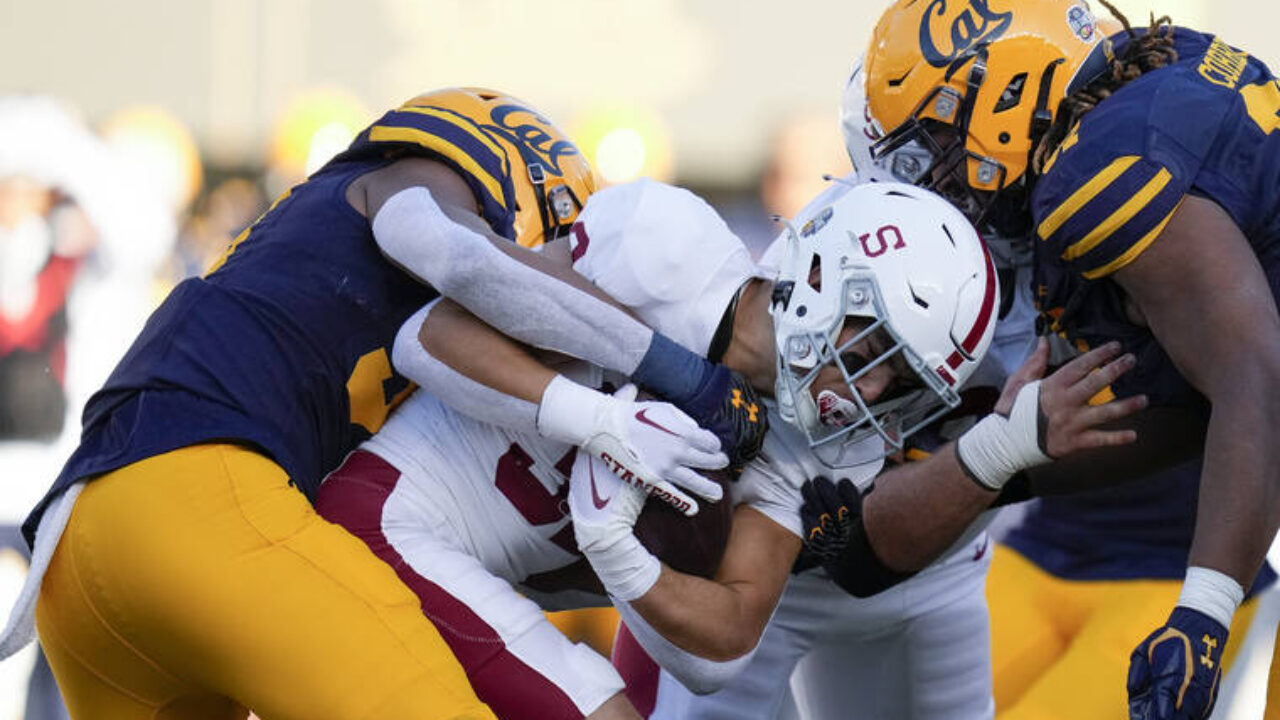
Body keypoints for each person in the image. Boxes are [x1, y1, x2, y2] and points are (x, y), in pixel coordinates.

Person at [0, 87, 763, 720]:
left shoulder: (320, 254)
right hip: (199, 506)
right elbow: (446, 248)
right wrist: (680, 373)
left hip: (82, 567)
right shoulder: (416, 185)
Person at [394, 173, 1142, 719]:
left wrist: (611, 537)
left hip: (539, 574)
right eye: (873, 346)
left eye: (901, 381)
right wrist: (637, 392)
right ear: (822, 268)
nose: (872, 391)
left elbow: (737, 636)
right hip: (414, 522)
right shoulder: (675, 251)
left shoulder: (837, 442)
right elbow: (425, 309)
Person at [858, 1, 1280, 717]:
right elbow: (1194, 399)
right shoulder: (1159, 67)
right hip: (1062, 552)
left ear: (1004, 98)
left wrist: (1201, 614)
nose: (934, 173)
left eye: (934, 135)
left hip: (1167, 560)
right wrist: (993, 469)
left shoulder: (1091, 177)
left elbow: (1254, 373)